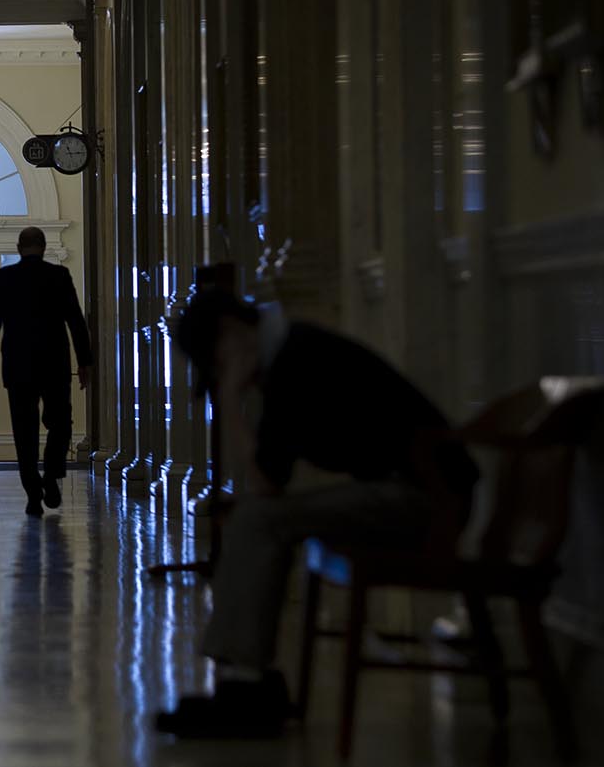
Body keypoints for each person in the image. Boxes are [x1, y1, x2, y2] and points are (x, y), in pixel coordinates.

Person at [154, 287, 478, 738]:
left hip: (425, 501)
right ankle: (242, 681)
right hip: (412, 492)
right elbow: (269, 477)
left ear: (232, 334)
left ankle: (245, 684)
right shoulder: (291, 351)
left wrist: (229, 398)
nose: (225, 375)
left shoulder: (295, 361)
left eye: (218, 363)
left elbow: (266, 481)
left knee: (258, 518)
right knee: (255, 517)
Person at [0, 227, 93, 516]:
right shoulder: (59, 276)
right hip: (54, 362)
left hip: (18, 365)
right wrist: (85, 361)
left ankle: (32, 493)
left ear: (19, 248)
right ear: (43, 247)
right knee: (60, 422)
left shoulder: (2, 279)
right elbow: (75, 321)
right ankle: (52, 475)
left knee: (24, 431)